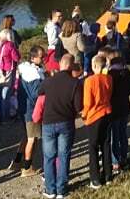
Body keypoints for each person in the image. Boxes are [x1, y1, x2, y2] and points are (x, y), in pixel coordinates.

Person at [39, 53, 83, 199]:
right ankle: (61, 189)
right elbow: (78, 107)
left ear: (60, 65)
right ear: (71, 66)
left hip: (48, 122)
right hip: (66, 122)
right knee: (64, 155)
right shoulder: (75, 83)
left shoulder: (48, 81)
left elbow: (39, 94)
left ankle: (50, 189)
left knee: (49, 156)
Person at [9, 45, 45, 177]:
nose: (43, 59)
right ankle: (27, 167)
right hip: (32, 110)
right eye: (41, 57)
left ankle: (17, 161)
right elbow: (36, 93)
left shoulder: (25, 70)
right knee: (32, 138)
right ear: (33, 57)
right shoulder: (34, 75)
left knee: (26, 136)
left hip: (23, 108)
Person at [83, 54, 113, 189]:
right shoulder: (109, 78)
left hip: (94, 115)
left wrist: (84, 114)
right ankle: (108, 175)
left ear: (95, 66)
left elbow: (88, 102)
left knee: (93, 146)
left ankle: (95, 178)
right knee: (106, 144)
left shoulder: (90, 81)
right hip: (107, 112)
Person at [107, 52, 130, 173]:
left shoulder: (110, 76)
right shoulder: (127, 73)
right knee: (123, 133)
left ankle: (115, 161)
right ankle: (124, 156)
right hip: (125, 107)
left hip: (114, 109)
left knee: (115, 136)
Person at [0, 28, 20, 123]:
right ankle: (6, 117)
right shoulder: (10, 45)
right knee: (5, 95)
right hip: (8, 71)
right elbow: (16, 58)